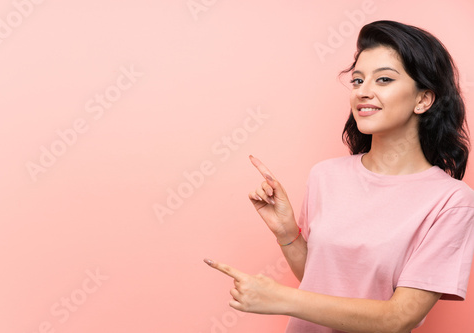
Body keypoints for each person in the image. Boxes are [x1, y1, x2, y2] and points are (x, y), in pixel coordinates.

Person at [203, 20, 474, 332]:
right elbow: (321, 280)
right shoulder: (325, 175)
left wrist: (280, 298)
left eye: (384, 79)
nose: (363, 92)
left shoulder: (451, 202)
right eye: (358, 81)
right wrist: (287, 234)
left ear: (423, 99)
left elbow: (399, 318)